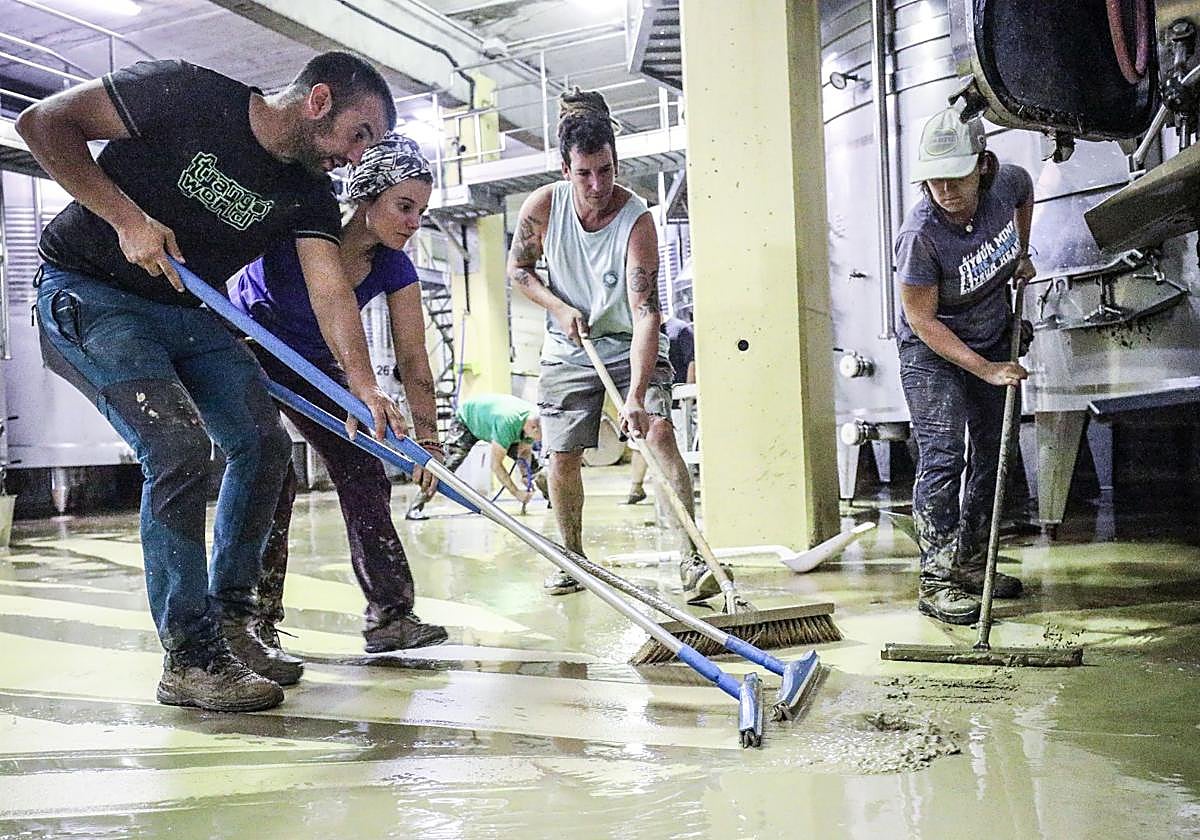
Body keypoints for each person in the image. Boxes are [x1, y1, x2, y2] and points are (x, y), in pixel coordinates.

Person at [20, 52, 402, 712]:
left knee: (263, 444)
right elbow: (43, 123)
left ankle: (231, 625)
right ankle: (190, 658)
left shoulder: (308, 191)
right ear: (318, 102)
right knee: (178, 451)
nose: (357, 155)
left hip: (185, 307)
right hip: (89, 290)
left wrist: (363, 386)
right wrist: (125, 218)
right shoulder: (187, 90)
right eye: (359, 134)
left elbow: (330, 288)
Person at [230, 134, 450, 658]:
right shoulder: (310, 226)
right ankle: (254, 622)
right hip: (247, 344)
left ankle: (391, 616)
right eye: (403, 206)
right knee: (272, 468)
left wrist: (430, 442)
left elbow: (414, 358)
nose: (413, 221)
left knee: (363, 467)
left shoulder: (395, 266)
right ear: (367, 197)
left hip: (316, 362)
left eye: (421, 210)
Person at [507, 88, 724, 601]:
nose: (597, 184)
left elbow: (647, 313)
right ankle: (572, 559)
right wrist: (559, 309)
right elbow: (519, 270)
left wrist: (635, 396)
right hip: (568, 347)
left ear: (615, 162)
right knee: (560, 455)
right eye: (584, 174)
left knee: (659, 434)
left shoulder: (637, 220)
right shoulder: (542, 209)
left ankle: (693, 560)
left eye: (605, 170)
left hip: (630, 344)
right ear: (565, 170)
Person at [895, 106, 1035, 625]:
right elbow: (923, 321)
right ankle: (936, 578)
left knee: (995, 451)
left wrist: (1020, 251)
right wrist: (986, 369)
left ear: (981, 165)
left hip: (991, 331)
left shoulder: (1006, 184)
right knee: (944, 453)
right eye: (934, 181)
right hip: (933, 352)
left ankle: (973, 563)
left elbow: (1024, 194)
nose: (945, 191)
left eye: (956, 177)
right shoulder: (920, 235)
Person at [405, 393, 543, 520]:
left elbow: (524, 453)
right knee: (447, 466)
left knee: (536, 469)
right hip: (467, 419)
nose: (538, 441)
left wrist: (527, 476)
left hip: (491, 422)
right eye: (539, 438)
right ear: (533, 428)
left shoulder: (534, 419)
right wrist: (516, 492)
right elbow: (496, 465)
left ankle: (554, 502)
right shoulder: (508, 423)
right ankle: (416, 507)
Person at [624, 314, 695, 505]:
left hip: (675, 396)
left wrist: (688, 393)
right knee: (639, 442)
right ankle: (636, 488)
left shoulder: (679, 330)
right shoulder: (635, 328)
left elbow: (692, 361)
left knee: (666, 445)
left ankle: (679, 514)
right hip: (647, 394)